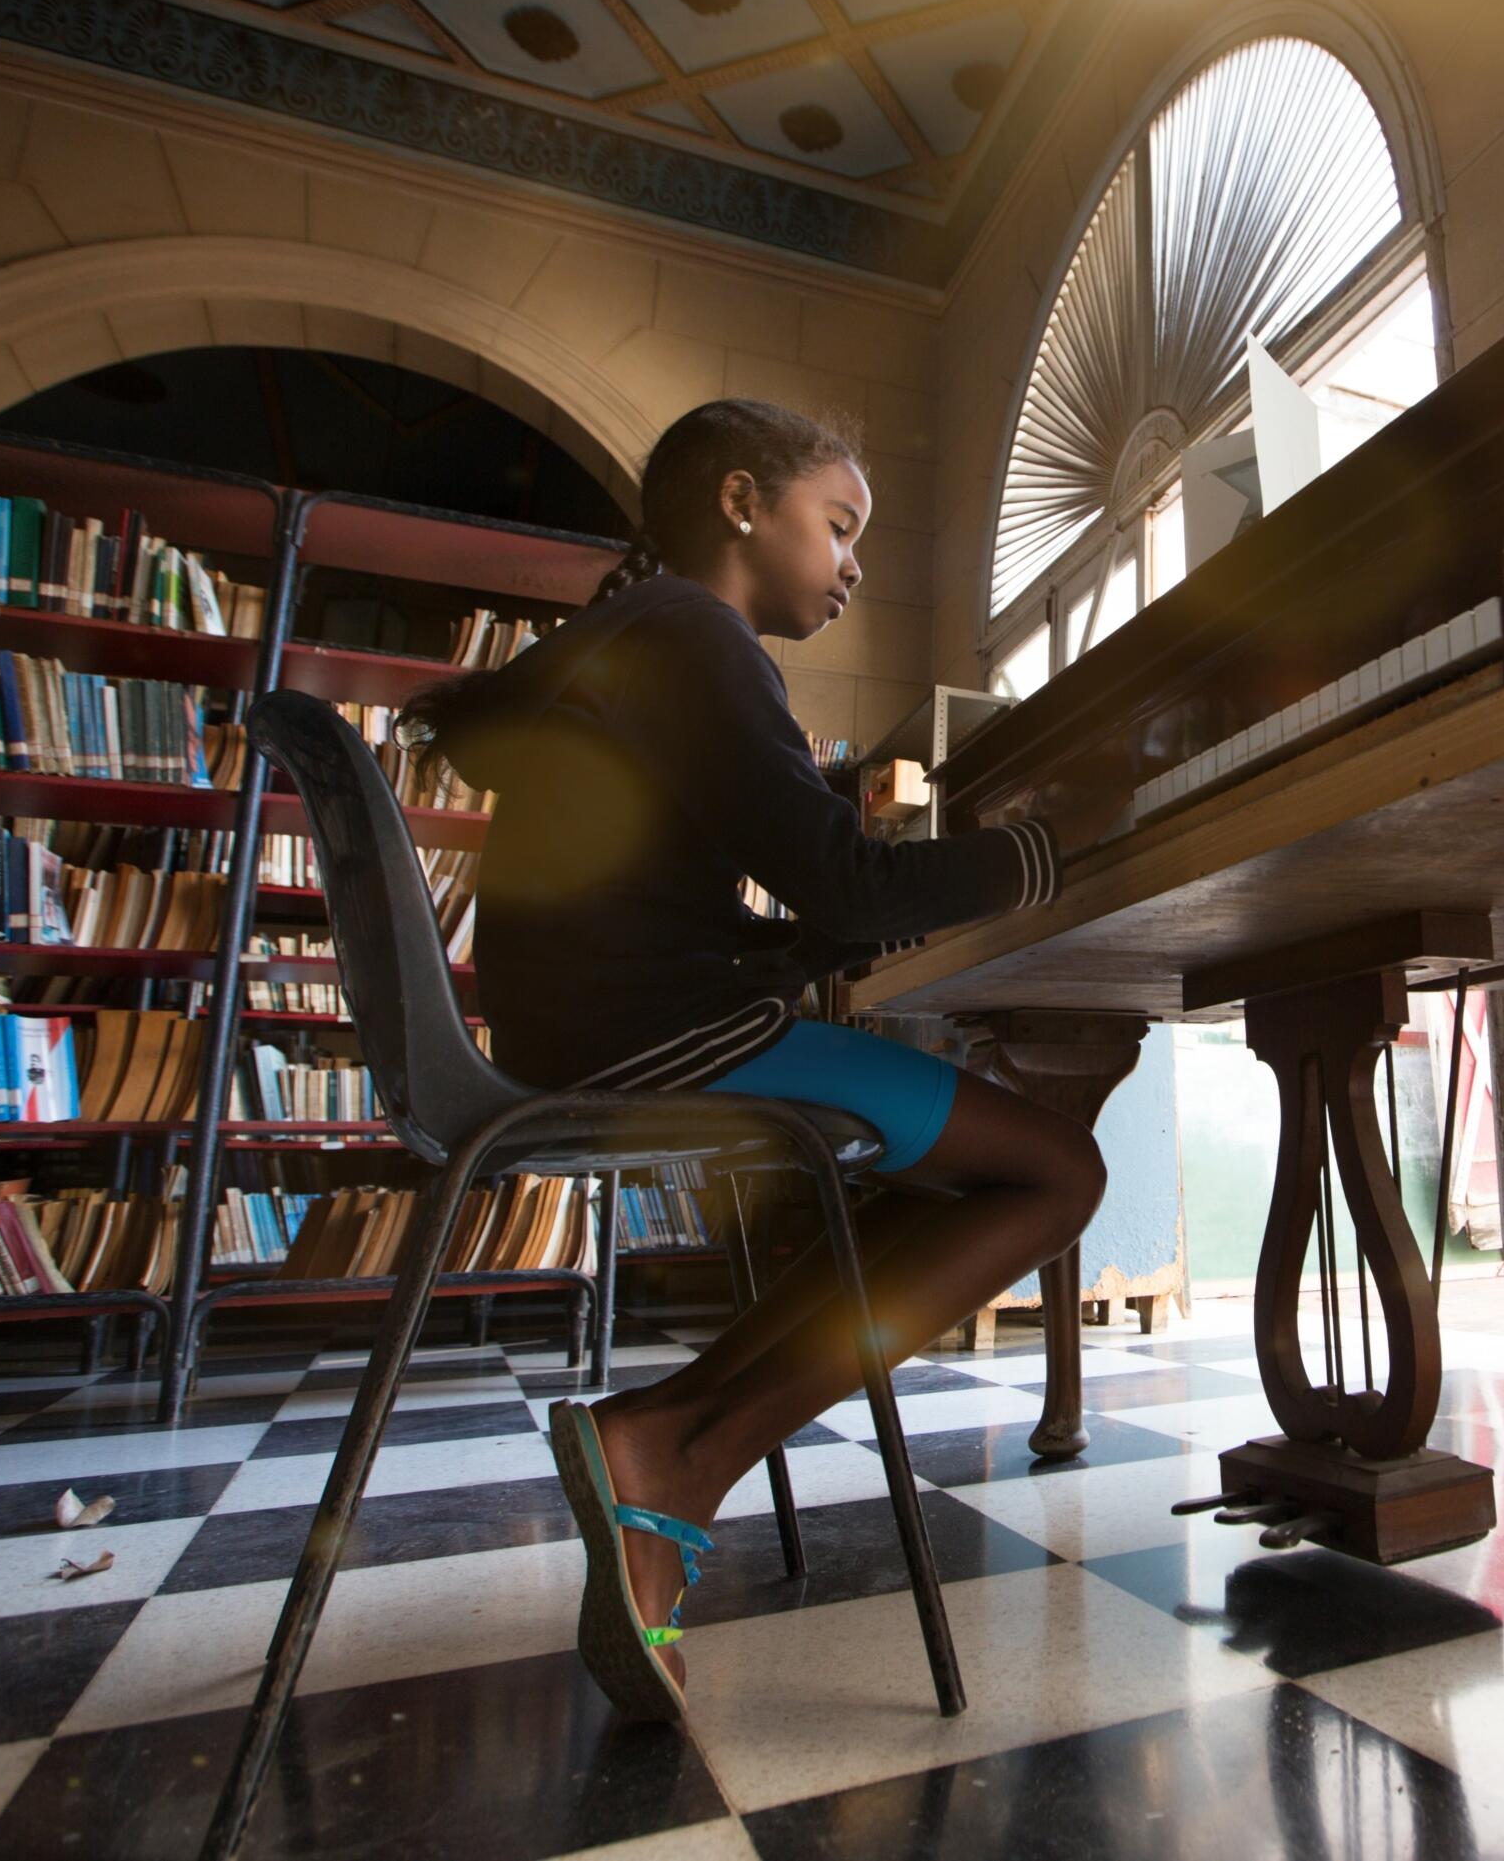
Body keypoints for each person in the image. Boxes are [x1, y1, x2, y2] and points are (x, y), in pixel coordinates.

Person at [396, 397, 1106, 1719]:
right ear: (740, 502)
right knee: (1057, 1171)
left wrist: (787, 952)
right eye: (838, 527)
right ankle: (682, 1446)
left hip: (601, 1031)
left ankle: (674, 1436)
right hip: (663, 1045)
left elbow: (681, 910)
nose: (851, 568)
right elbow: (842, 883)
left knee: (920, 1179)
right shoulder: (693, 637)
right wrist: (1042, 850)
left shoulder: (637, 636)